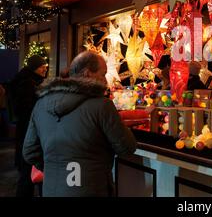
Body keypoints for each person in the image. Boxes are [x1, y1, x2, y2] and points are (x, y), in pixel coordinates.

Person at [22, 51, 136, 197]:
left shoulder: (41, 104)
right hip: (92, 189)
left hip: (52, 189)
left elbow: (29, 151)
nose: (106, 81)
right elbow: (127, 147)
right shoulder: (102, 105)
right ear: (88, 74)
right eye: (103, 74)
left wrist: (57, 168)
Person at [8, 55, 48, 197]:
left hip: (25, 131)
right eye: (42, 66)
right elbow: (27, 109)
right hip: (27, 131)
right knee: (27, 171)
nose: (45, 68)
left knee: (27, 171)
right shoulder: (27, 84)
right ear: (34, 68)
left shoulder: (29, 81)